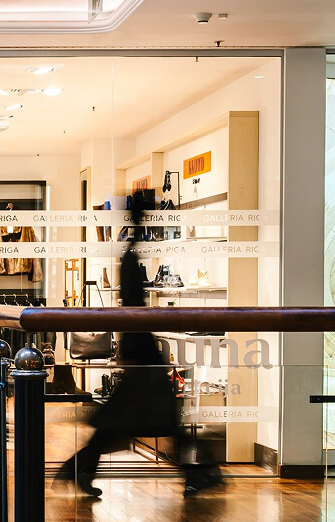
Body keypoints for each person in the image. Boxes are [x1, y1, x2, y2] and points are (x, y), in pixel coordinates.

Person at [59, 189, 223, 498]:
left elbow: (131, 303)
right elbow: (133, 304)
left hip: (138, 347)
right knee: (153, 419)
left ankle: (79, 468)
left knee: (135, 420)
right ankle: (200, 473)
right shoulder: (132, 255)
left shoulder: (130, 254)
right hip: (140, 349)